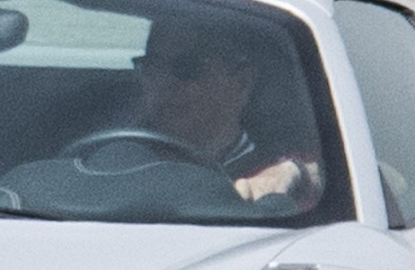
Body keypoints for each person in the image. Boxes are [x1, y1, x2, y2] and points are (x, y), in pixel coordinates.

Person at [131, 18, 325, 206]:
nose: (163, 84)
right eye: (153, 66)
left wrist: (295, 173)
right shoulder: (118, 158)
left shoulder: (276, 181)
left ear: (242, 83)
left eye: (188, 68)